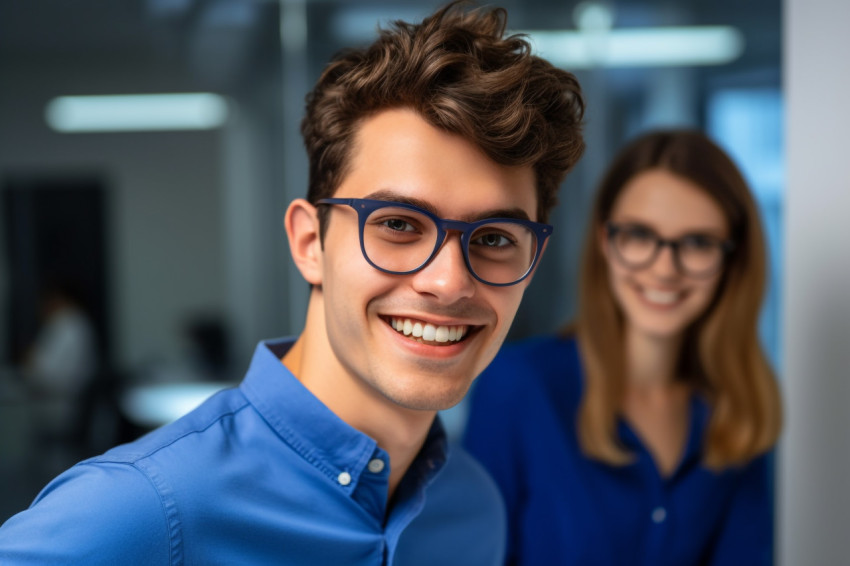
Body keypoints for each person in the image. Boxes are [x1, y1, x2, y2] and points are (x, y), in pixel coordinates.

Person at [0, 2, 585, 564]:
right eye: (399, 225)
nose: (449, 282)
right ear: (310, 243)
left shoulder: (472, 509)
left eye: (495, 238)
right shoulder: (143, 509)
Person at [463, 129, 783, 565]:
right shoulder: (518, 387)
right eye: (639, 235)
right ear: (604, 240)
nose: (664, 268)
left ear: (732, 259)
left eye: (698, 243)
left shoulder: (737, 411)